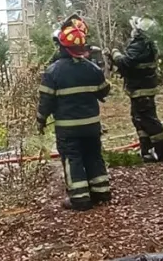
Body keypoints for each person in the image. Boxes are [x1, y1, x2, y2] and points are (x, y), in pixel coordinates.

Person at [37, 14, 112, 210]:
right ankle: (101, 192)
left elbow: (46, 100)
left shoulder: (53, 72)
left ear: (61, 46)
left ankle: (80, 199)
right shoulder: (93, 69)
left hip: (68, 128)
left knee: (73, 158)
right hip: (91, 125)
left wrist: (41, 120)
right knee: (94, 155)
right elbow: (104, 90)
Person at [111, 16, 163, 162]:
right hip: (141, 88)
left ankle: (162, 152)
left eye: (134, 28)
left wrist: (115, 54)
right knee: (140, 120)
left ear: (139, 31)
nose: (132, 31)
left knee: (148, 120)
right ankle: (147, 152)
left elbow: (126, 63)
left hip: (141, 89)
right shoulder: (145, 44)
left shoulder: (140, 45)